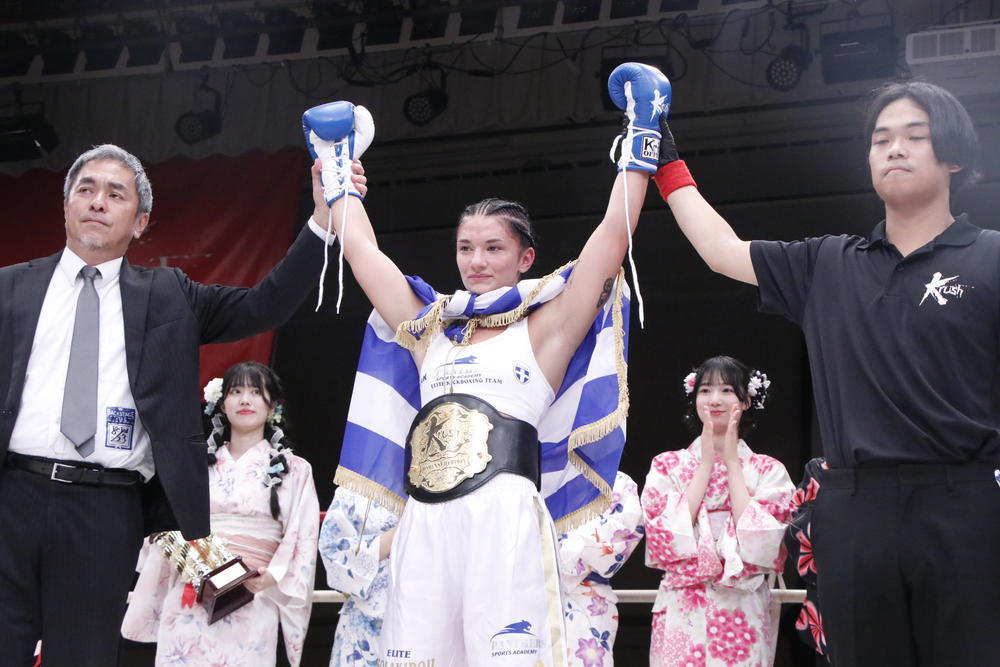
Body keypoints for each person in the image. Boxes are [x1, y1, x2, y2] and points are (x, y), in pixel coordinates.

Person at [303, 63, 670, 666]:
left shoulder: (546, 327)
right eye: (465, 248)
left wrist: (642, 137)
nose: (476, 261)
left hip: (504, 518)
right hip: (426, 519)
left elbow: (611, 238)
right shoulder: (431, 329)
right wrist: (337, 170)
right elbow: (364, 254)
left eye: (493, 248)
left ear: (526, 258)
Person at [654, 80, 996, 665]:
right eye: (881, 139)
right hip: (854, 509)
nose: (894, 148)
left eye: (916, 136)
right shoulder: (828, 262)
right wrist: (664, 161)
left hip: (965, 503)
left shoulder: (991, 256)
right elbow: (722, 251)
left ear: (955, 156)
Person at [0, 143, 362, 666]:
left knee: (82, 656)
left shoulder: (170, 294)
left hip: (104, 507)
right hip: (11, 494)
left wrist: (323, 219)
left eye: (115, 194)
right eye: (86, 189)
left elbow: (267, 304)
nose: (98, 201)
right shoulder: (10, 287)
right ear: (66, 206)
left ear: (140, 222)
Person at [122, 361, 319, 666]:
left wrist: (273, 575)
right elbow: (163, 526)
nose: (245, 400)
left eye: (256, 392)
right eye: (236, 391)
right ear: (221, 404)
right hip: (192, 591)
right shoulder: (194, 465)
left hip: (253, 592)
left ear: (273, 406)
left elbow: (303, 535)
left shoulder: (295, 469)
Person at [641, 356, 793, 667]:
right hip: (682, 603)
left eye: (727, 390)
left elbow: (762, 544)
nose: (714, 399)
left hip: (742, 603)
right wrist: (706, 464)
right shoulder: (667, 465)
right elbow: (663, 537)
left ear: (746, 400)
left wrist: (733, 463)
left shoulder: (768, 470)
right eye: (705, 390)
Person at [558, 470, 643, 667]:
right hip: (530, 596)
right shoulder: (532, 478)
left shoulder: (618, 482)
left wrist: (553, 551)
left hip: (589, 601)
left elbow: (614, 548)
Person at [319, 487, 397, 667]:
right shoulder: (354, 487)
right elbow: (331, 550)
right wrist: (393, 536)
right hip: (365, 620)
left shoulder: (449, 484)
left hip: (431, 617)